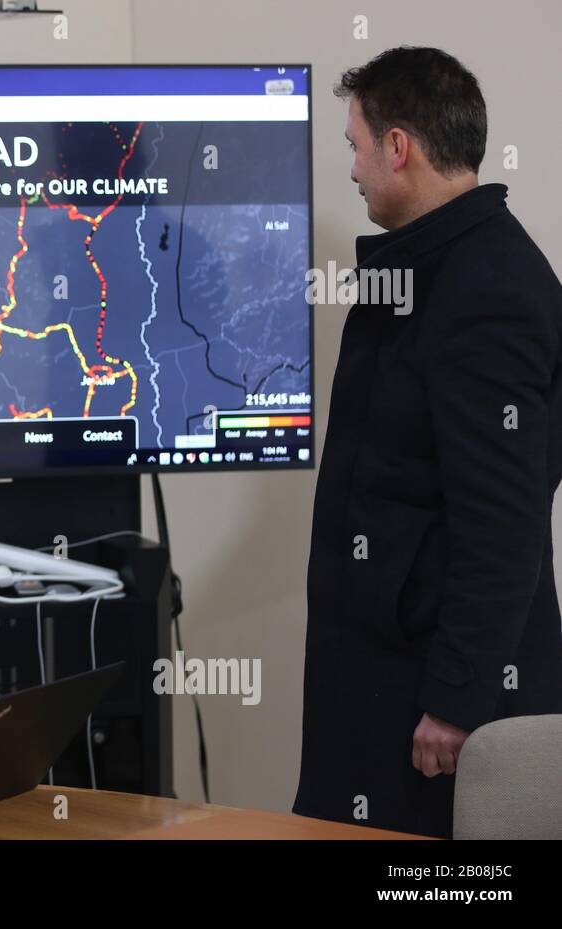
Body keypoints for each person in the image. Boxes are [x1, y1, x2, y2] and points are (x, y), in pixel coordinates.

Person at [295, 47, 562, 837]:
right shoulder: (432, 270)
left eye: (355, 144)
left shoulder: (488, 289)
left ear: (399, 146)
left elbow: (503, 524)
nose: (351, 169)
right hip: (384, 684)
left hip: (437, 713)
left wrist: (454, 700)